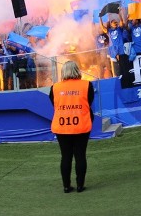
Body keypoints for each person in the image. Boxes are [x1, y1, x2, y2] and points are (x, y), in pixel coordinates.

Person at [49, 61, 94, 193]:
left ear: (63, 72)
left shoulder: (55, 87)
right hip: (82, 125)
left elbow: (54, 104)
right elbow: (89, 103)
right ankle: (80, 185)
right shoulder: (86, 85)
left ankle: (66, 186)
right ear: (77, 71)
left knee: (66, 156)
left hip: (62, 126)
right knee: (80, 155)